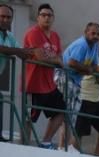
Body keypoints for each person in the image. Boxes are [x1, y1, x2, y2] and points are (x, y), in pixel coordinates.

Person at [21, 4, 65, 149]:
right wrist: (55, 60)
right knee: (29, 118)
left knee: (61, 112)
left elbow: (60, 57)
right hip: (33, 84)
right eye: (43, 15)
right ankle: (24, 146)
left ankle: (45, 142)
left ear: (53, 18)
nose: (47, 18)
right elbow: (39, 57)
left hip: (49, 85)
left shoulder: (55, 36)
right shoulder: (33, 33)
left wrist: (54, 59)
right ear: (38, 17)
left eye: (49, 15)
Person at [61, 21, 99, 151]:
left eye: (98, 34)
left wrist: (87, 69)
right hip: (64, 75)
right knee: (67, 113)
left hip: (76, 80)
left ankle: (69, 146)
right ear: (86, 33)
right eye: (93, 33)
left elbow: (95, 65)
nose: (95, 36)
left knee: (73, 115)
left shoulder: (95, 46)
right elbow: (71, 62)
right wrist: (86, 69)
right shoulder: (82, 44)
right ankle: (62, 147)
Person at [75, 29, 99, 156]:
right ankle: (73, 153)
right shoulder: (91, 55)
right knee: (79, 131)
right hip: (86, 97)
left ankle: (97, 155)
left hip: (97, 99)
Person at [0, 3, 31, 142]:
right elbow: (2, 49)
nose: (6, 20)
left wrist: (33, 52)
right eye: (2, 16)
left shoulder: (9, 36)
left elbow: (22, 53)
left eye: (8, 17)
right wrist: (19, 51)